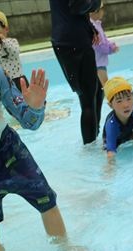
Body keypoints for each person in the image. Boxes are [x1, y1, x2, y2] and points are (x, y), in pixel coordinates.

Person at [0, 60, 83, 251]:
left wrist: (35, 108)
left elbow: (29, 122)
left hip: (8, 151)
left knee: (46, 200)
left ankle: (65, 249)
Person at [49, 0, 103, 145]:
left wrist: (89, 26)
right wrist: (96, 3)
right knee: (88, 100)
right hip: (74, 42)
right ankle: (91, 148)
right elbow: (77, 6)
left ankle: (94, 133)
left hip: (68, 39)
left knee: (98, 91)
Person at [0, 11, 28, 92]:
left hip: (18, 79)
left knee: (25, 98)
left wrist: (4, 40)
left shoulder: (12, 41)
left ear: (6, 29)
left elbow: (15, 51)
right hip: (6, 81)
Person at [89, 1, 119, 87]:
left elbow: (104, 39)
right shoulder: (93, 26)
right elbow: (99, 45)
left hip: (99, 62)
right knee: (105, 86)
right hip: (98, 63)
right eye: (102, 9)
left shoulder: (97, 24)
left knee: (101, 86)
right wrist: (111, 49)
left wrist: (111, 45)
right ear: (96, 11)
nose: (103, 12)